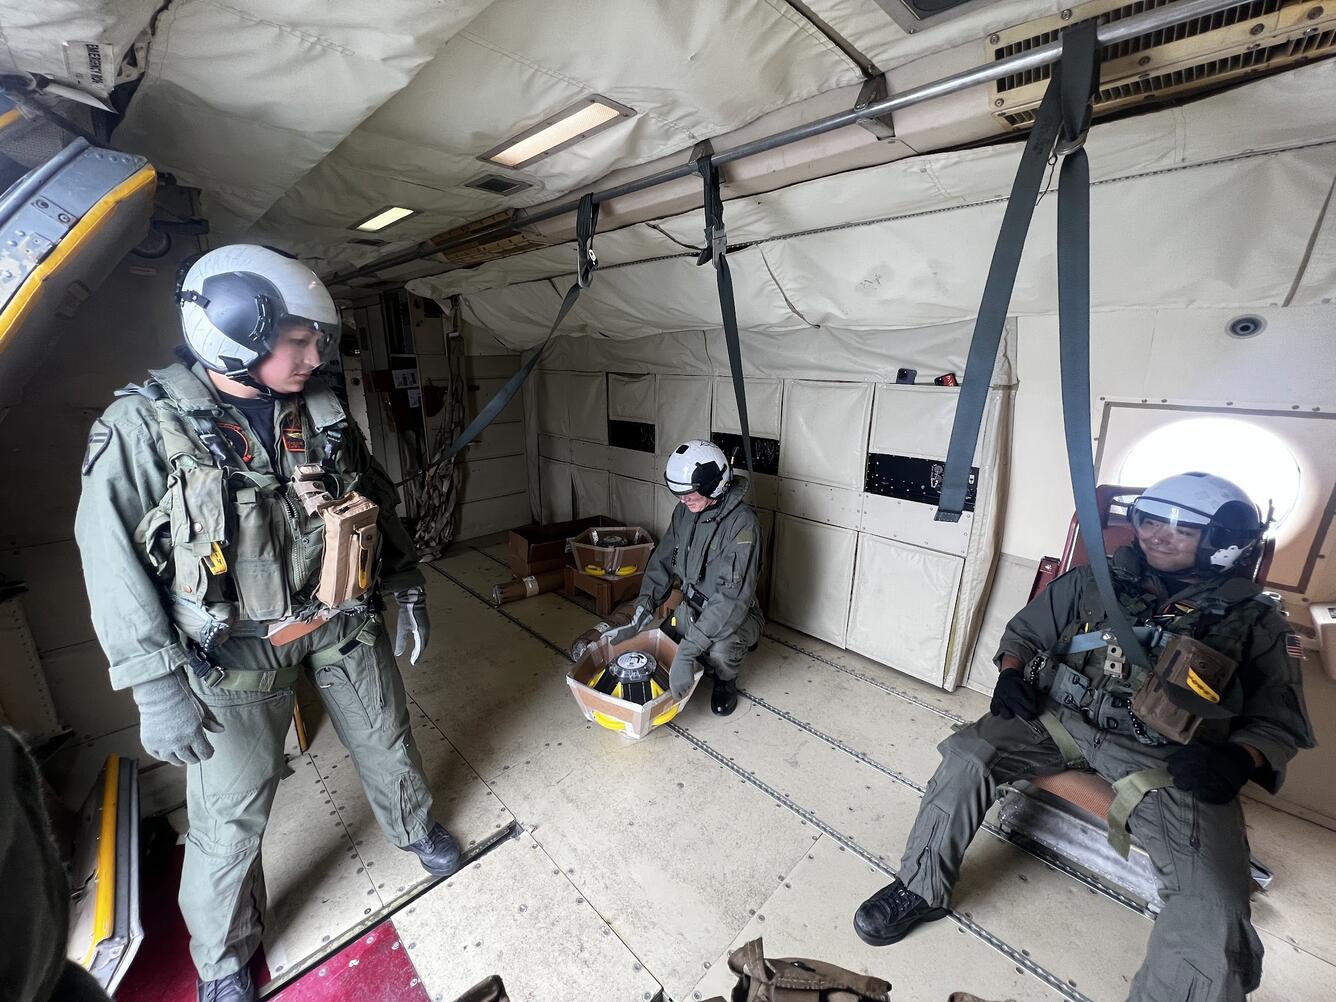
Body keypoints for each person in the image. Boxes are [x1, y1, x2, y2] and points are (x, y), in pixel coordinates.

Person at [75, 244, 460, 1002]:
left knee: (387, 738)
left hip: (343, 620)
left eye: (320, 340)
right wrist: (155, 685)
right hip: (235, 654)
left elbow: (369, 491)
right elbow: (109, 559)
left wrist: (405, 578)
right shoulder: (143, 428)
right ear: (232, 333)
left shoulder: (318, 409)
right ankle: (222, 960)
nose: (316, 355)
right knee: (230, 813)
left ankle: (413, 826)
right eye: (298, 340)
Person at [852, 472, 1315, 1002]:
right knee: (967, 752)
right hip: (1059, 719)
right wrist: (1009, 674)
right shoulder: (1095, 580)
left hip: (1165, 758)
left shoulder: (1258, 622)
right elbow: (1024, 635)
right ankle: (920, 886)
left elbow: (1279, 722)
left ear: (1223, 543)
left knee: (1215, 899)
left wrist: (1239, 758)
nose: (1157, 535)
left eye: (1181, 528)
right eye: (1149, 520)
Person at [601, 440, 764, 716]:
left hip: (733, 613)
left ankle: (726, 679)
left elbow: (731, 600)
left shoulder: (743, 525)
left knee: (720, 651)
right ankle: (697, 648)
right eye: (679, 495)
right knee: (662, 650)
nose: (682, 501)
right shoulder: (686, 512)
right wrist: (641, 612)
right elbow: (662, 561)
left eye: (688, 495)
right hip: (690, 608)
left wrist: (688, 651)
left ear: (714, 485)